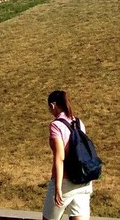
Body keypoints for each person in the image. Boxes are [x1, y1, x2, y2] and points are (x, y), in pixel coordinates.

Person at [44, 90, 93, 220]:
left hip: (65, 181)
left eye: (49, 107)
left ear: (53, 105)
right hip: (83, 180)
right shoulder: (79, 123)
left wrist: (58, 188)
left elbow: (60, 157)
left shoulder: (56, 125)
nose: (50, 110)